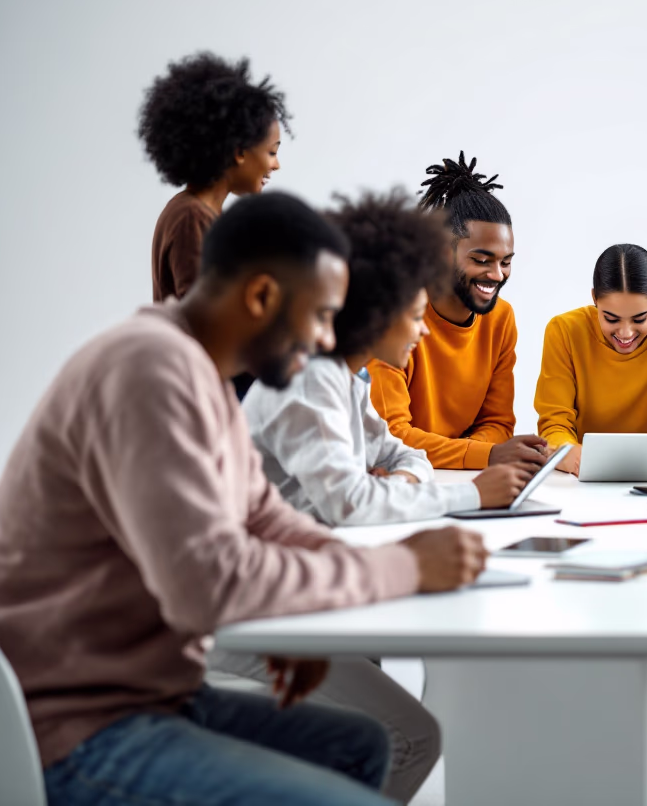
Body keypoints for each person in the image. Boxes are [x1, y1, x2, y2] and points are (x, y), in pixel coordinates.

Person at [0, 192, 489, 806]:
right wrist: (405, 567)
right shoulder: (149, 369)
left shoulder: (200, 374)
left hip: (154, 696)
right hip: (74, 729)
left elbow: (266, 520)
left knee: (364, 745)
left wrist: (309, 619)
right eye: (322, 315)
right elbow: (211, 583)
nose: (329, 336)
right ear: (261, 298)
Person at [224, 189, 534, 801]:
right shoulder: (307, 379)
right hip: (257, 617)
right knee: (409, 737)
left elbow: (401, 454)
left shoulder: (345, 377)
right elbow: (351, 504)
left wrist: (398, 483)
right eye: (415, 315)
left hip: (308, 592)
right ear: (376, 313)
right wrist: (470, 496)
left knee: (379, 731)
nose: (422, 330)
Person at [369, 152, 549, 471]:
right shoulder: (394, 314)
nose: (497, 275)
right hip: (397, 476)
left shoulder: (501, 318)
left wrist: (476, 454)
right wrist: (486, 455)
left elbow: (498, 423)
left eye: (506, 262)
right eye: (481, 260)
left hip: (455, 477)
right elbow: (391, 436)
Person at [535, 244, 647, 475]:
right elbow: (554, 425)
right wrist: (571, 456)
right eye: (611, 319)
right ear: (594, 298)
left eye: (640, 319)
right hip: (581, 477)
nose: (625, 333)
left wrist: (644, 464)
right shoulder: (564, 331)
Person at [140, 51, 286, 303]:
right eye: (271, 152)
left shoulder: (199, 213)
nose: (276, 165)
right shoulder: (191, 217)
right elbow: (204, 312)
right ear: (239, 152)